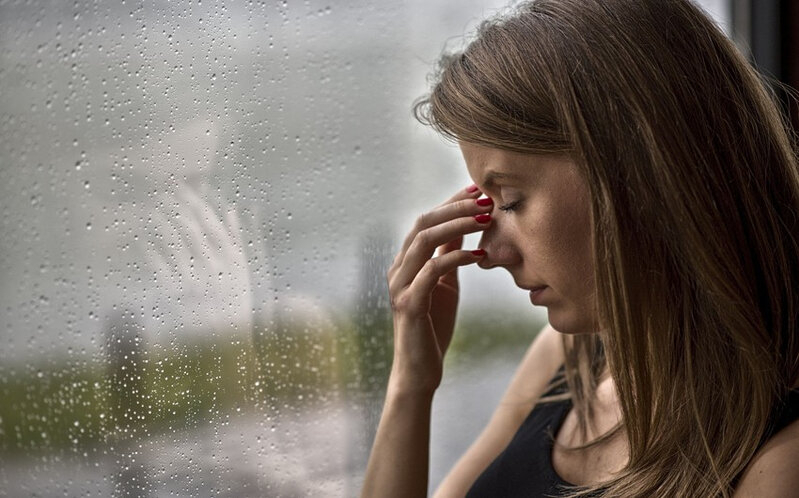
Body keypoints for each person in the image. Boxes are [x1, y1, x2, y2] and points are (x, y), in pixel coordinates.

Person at [360, 0, 799, 496]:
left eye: (510, 200)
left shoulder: (779, 463)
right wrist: (409, 388)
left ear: (639, 174)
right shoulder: (567, 361)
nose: (488, 252)